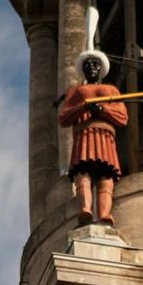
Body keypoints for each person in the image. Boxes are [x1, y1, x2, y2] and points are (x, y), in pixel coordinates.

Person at [58, 49, 128, 227]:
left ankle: (105, 213)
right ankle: (85, 209)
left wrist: (103, 110)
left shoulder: (111, 90)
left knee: (107, 173)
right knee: (83, 172)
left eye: (95, 64)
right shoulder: (76, 91)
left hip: (105, 136)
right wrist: (83, 108)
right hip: (85, 135)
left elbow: (122, 117)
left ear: (100, 69)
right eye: (87, 65)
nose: (91, 67)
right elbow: (64, 117)